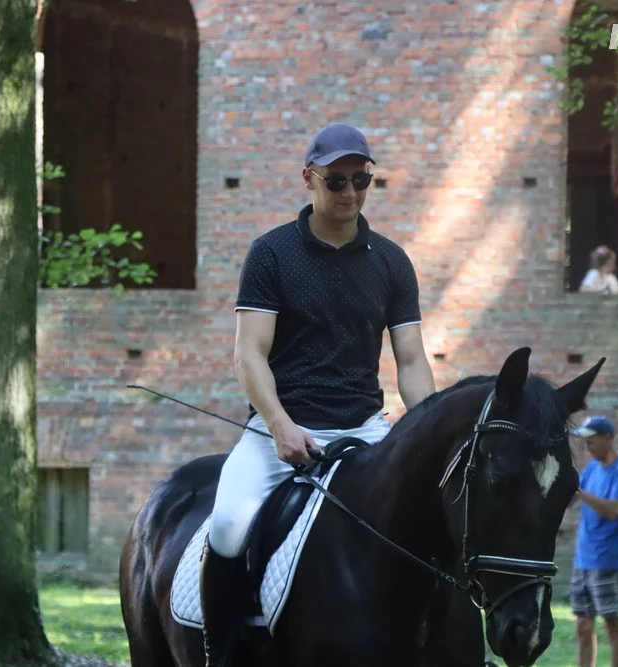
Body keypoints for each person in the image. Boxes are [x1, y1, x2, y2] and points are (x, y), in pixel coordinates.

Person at [200, 123, 437, 666]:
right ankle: (220, 654)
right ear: (310, 178)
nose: (349, 192)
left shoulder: (392, 262)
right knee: (230, 526)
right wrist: (280, 426)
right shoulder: (271, 254)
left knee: (430, 518)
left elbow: (412, 360)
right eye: (336, 180)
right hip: (278, 432)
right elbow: (249, 355)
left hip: (364, 430)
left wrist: (427, 431)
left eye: (362, 179)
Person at [569, 415, 618, 667]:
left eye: (593, 440)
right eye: (586, 441)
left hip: (608, 558)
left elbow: (615, 510)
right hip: (583, 558)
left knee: (611, 622)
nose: (588, 446)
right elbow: (574, 498)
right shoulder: (591, 469)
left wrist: (581, 493)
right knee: (583, 625)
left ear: (608, 438)